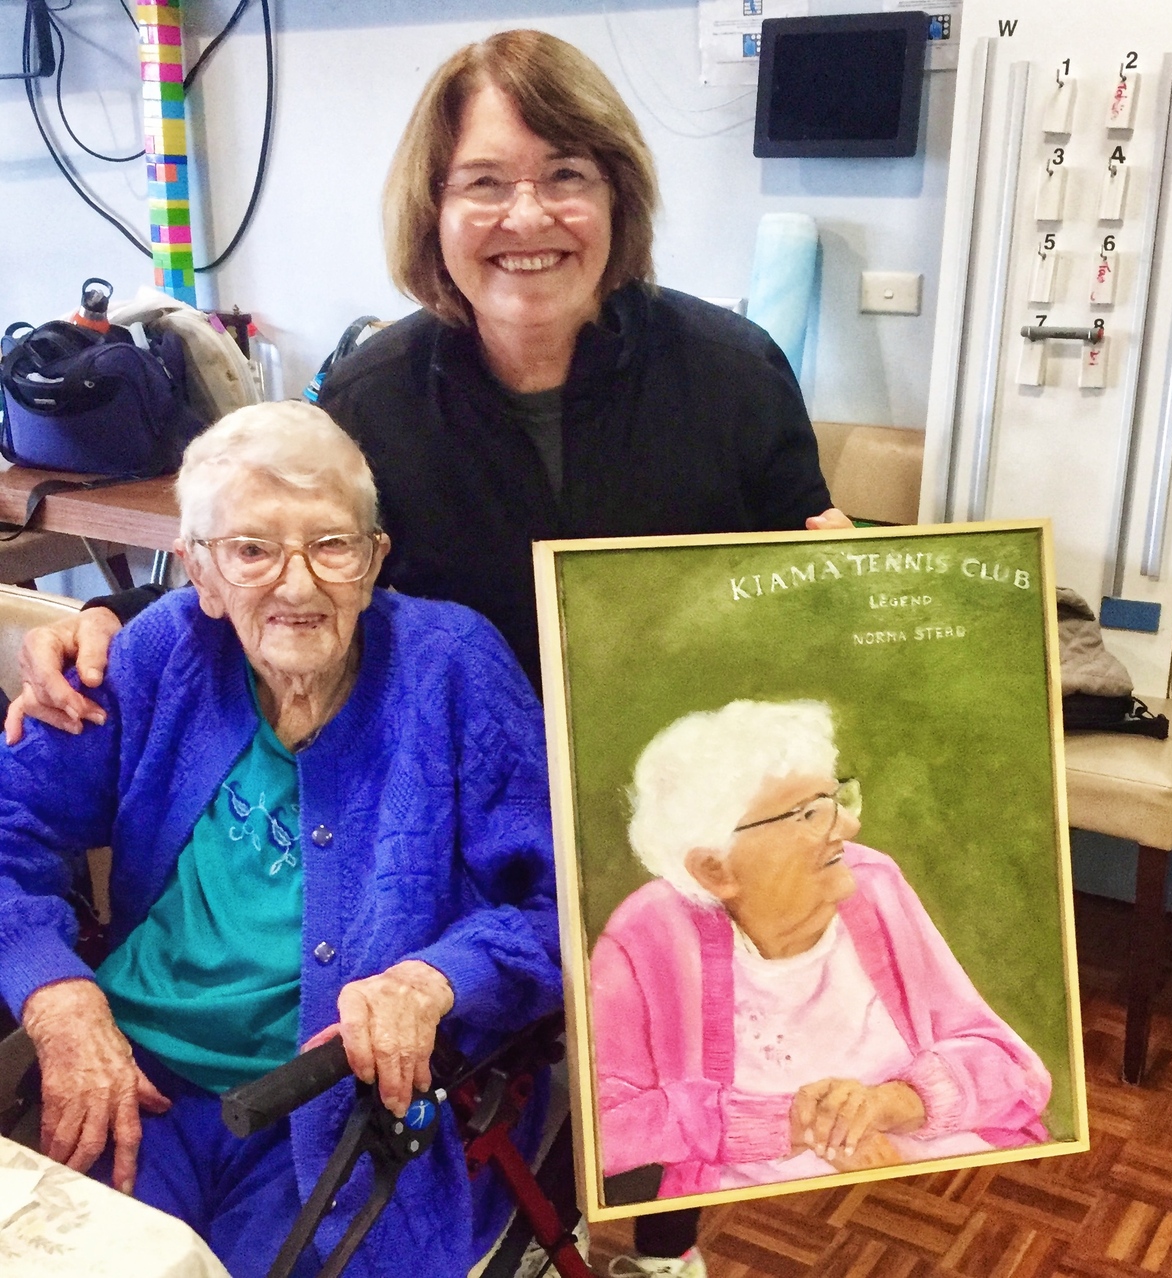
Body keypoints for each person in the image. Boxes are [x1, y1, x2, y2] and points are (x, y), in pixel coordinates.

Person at [5, 29, 852, 1277]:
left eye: (566, 176)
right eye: (484, 183)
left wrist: (883, 609)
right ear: (435, 210)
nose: (529, 216)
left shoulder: (730, 371)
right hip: (440, 790)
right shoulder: (377, 395)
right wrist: (105, 628)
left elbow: (810, 560)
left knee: (680, 1069)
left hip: (676, 781)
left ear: (617, 194)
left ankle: (661, 1247)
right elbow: (280, 562)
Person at [0, 402, 562, 1278]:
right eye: (252, 551)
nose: (296, 587)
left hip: (338, 1101)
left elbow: (566, 903)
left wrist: (431, 981)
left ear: (374, 560)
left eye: (331, 545)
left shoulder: (452, 668)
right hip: (134, 1075)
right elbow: (11, 827)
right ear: (200, 572)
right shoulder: (161, 651)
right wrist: (58, 999)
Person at [592, 700, 1051, 1200]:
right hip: (764, 1209)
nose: (847, 827)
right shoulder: (650, 935)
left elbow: (1010, 1065)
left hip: (937, 1176)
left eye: (836, 800)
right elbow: (603, 1128)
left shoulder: (872, 884)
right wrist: (794, 1124)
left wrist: (888, 1104)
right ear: (715, 869)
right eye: (809, 813)